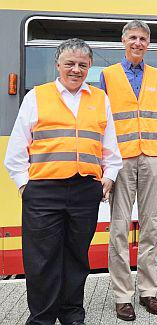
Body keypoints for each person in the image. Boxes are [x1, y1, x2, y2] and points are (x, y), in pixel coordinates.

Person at [4, 38, 123, 325]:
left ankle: (71, 313)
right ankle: (43, 317)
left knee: (76, 256)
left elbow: (111, 148)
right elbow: (17, 151)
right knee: (41, 259)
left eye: (82, 64)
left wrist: (108, 176)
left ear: (90, 67)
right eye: (69, 63)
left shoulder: (99, 98)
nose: (75, 69)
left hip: (85, 190)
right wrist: (25, 186)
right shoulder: (37, 96)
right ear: (57, 65)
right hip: (43, 191)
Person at [99, 20, 157, 321]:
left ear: (148, 43)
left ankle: (148, 292)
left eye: (143, 38)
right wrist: (105, 164)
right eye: (133, 38)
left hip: (153, 157)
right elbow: (101, 121)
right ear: (123, 41)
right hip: (122, 159)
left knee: (151, 226)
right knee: (119, 228)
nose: (138, 43)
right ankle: (121, 296)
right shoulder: (107, 75)